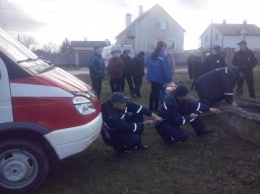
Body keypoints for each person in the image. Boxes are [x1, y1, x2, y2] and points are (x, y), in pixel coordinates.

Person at [155, 85, 221, 144]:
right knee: (182, 136)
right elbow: (178, 121)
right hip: (164, 122)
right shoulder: (170, 104)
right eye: (185, 95)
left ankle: (201, 130)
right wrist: (189, 117)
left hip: (175, 117)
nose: (187, 97)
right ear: (180, 95)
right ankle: (167, 139)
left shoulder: (180, 99)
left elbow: (194, 104)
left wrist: (209, 109)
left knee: (193, 111)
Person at [146, 41, 172, 111]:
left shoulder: (152, 54)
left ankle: (150, 106)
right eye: (165, 47)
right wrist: (169, 79)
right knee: (157, 92)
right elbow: (166, 69)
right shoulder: (163, 56)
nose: (166, 48)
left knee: (153, 91)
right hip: (159, 77)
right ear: (163, 47)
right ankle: (156, 107)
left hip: (152, 77)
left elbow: (147, 63)